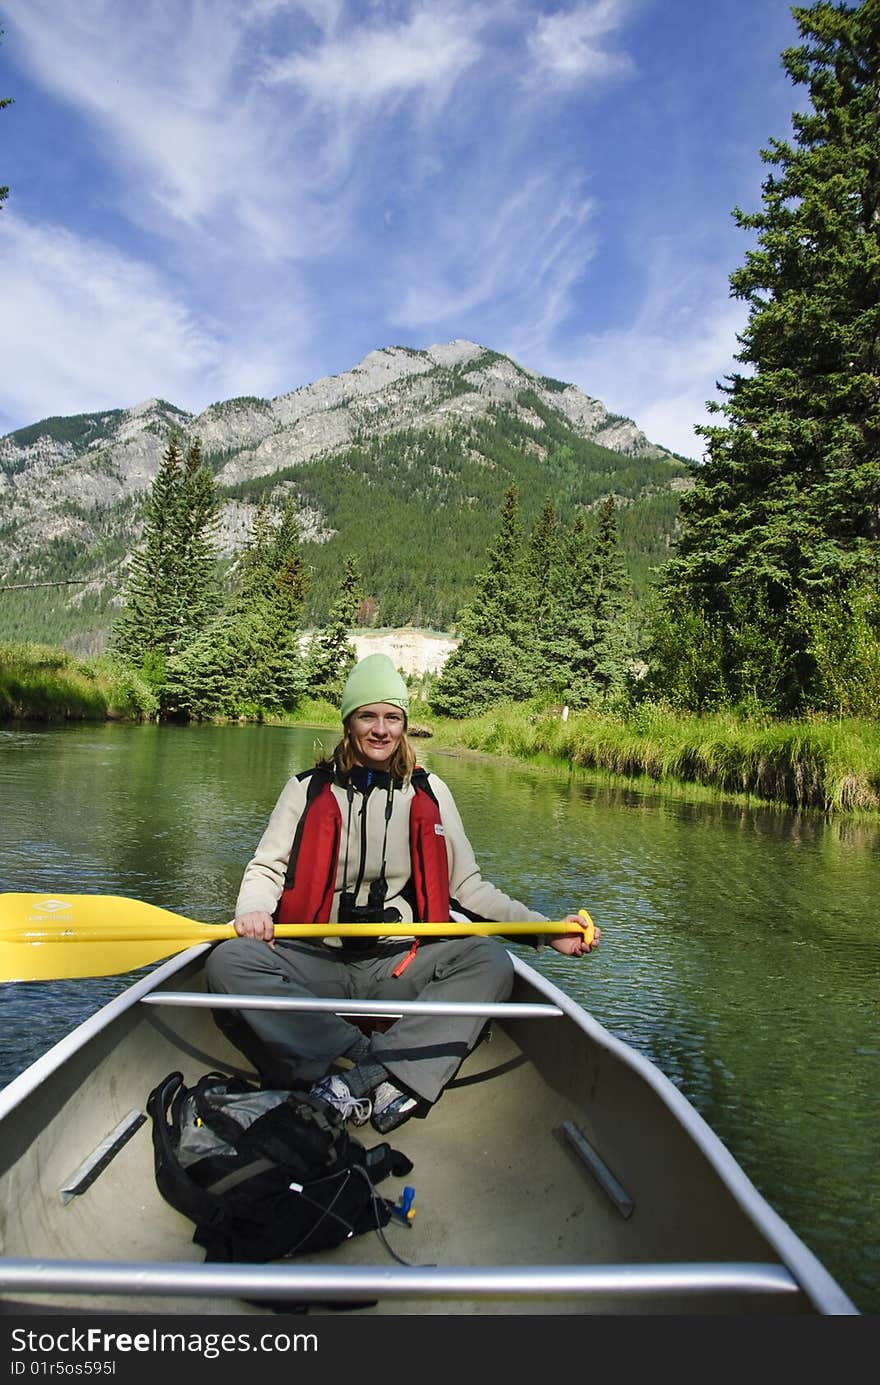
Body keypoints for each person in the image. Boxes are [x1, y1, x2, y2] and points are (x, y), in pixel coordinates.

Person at [206, 652, 600, 1136]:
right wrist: (251, 912)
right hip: (314, 960)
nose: (381, 729)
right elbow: (266, 868)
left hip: (395, 965)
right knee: (228, 962)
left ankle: (352, 1081)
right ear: (349, 722)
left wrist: (546, 931)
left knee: (489, 962)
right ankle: (377, 1068)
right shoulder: (306, 790)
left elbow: (468, 889)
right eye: (368, 716)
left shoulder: (430, 792)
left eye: (392, 718)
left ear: (405, 725)